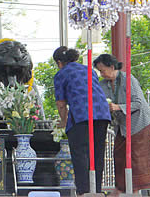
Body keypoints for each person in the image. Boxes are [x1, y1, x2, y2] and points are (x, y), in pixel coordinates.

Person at [53, 46, 111, 194]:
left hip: (81, 113)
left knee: (80, 152)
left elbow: (61, 103)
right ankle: (96, 190)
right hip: (102, 112)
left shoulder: (61, 74)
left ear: (59, 62)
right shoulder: (89, 70)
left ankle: (84, 191)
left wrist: (64, 120)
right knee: (97, 152)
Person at [93, 54, 150, 193]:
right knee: (119, 156)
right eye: (99, 71)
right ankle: (120, 189)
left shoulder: (128, 80)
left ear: (112, 67)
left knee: (136, 158)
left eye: (102, 70)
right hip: (122, 125)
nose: (101, 74)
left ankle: (135, 190)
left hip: (138, 122)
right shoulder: (103, 84)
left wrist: (118, 107)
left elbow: (138, 103)